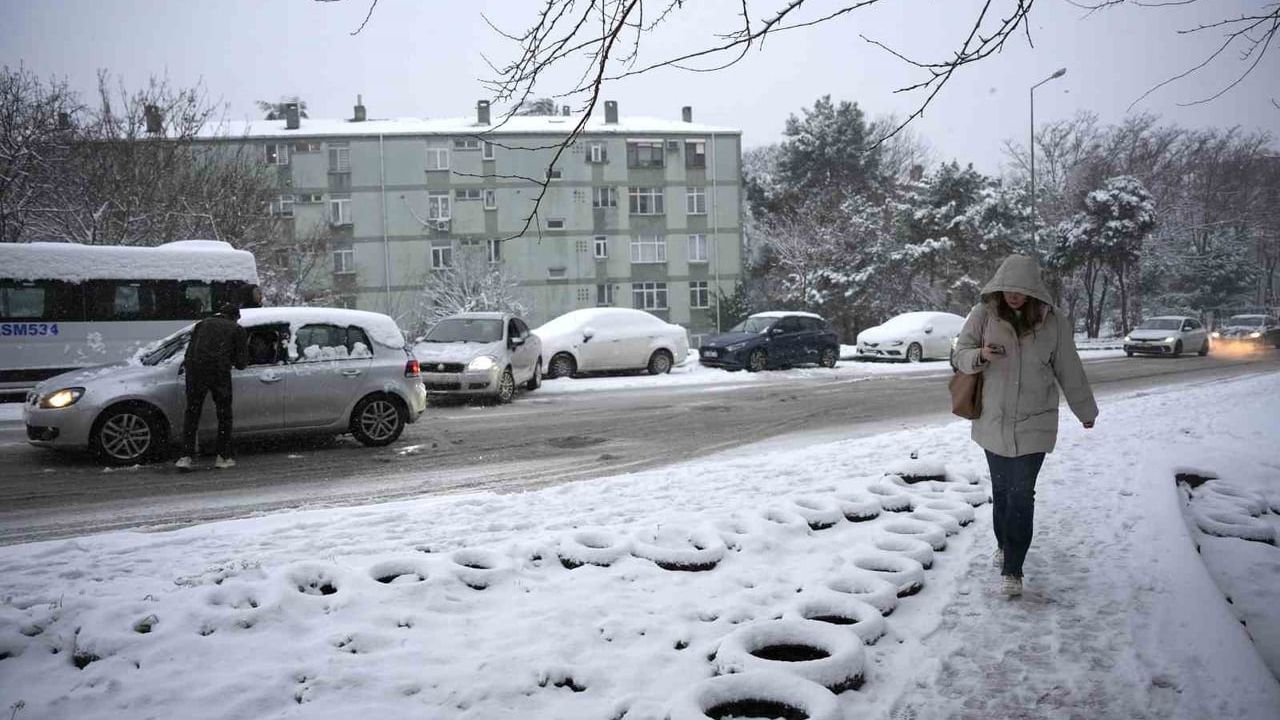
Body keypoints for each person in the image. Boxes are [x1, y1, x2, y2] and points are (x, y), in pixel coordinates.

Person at [952, 255, 1097, 598]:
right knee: (1002, 493)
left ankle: (1013, 569)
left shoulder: (1054, 322)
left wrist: (1085, 410)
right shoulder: (984, 314)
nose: (1013, 296)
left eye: (1020, 291)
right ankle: (1004, 545)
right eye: (1008, 290)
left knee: (1021, 495)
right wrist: (981, 356)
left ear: (1033, 290)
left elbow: (1069, 369)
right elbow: (959, 355)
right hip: (993, 421)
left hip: (1036, 422)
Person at [175, 302, 249, 470]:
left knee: (192, 413)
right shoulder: (237, 329)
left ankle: (185, 456)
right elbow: (241, 364)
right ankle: (222, 456)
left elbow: (189, 352)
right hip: (218, 373)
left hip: (195, 372)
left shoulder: (202, 324)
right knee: (224, 415)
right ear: (235, 317)